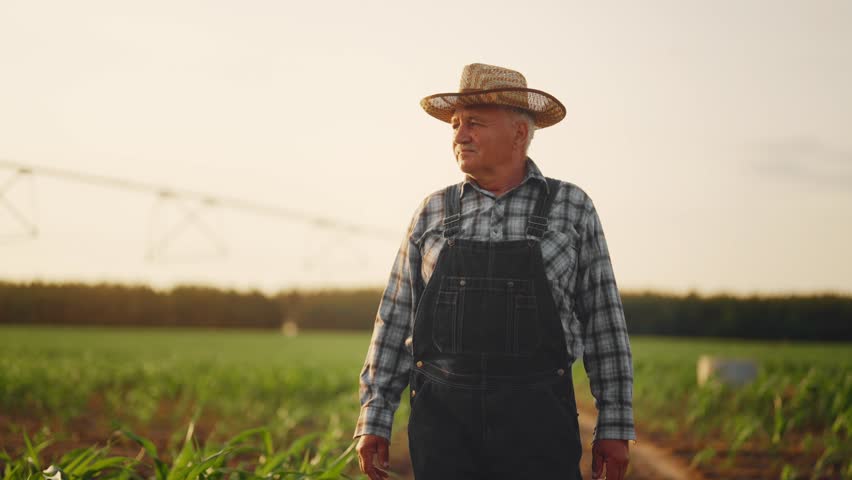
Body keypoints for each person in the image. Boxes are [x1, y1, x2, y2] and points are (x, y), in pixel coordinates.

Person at [354, 63, 635, 480]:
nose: (460, 136)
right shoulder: (432, 211)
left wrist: (614, 423)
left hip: (538, 426)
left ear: (520, 133)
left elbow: (603, 323)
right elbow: (394, 320)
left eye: (474, 124)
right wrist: (375, 416)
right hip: (443, 428)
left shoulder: (571, 207)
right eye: (455, 125)